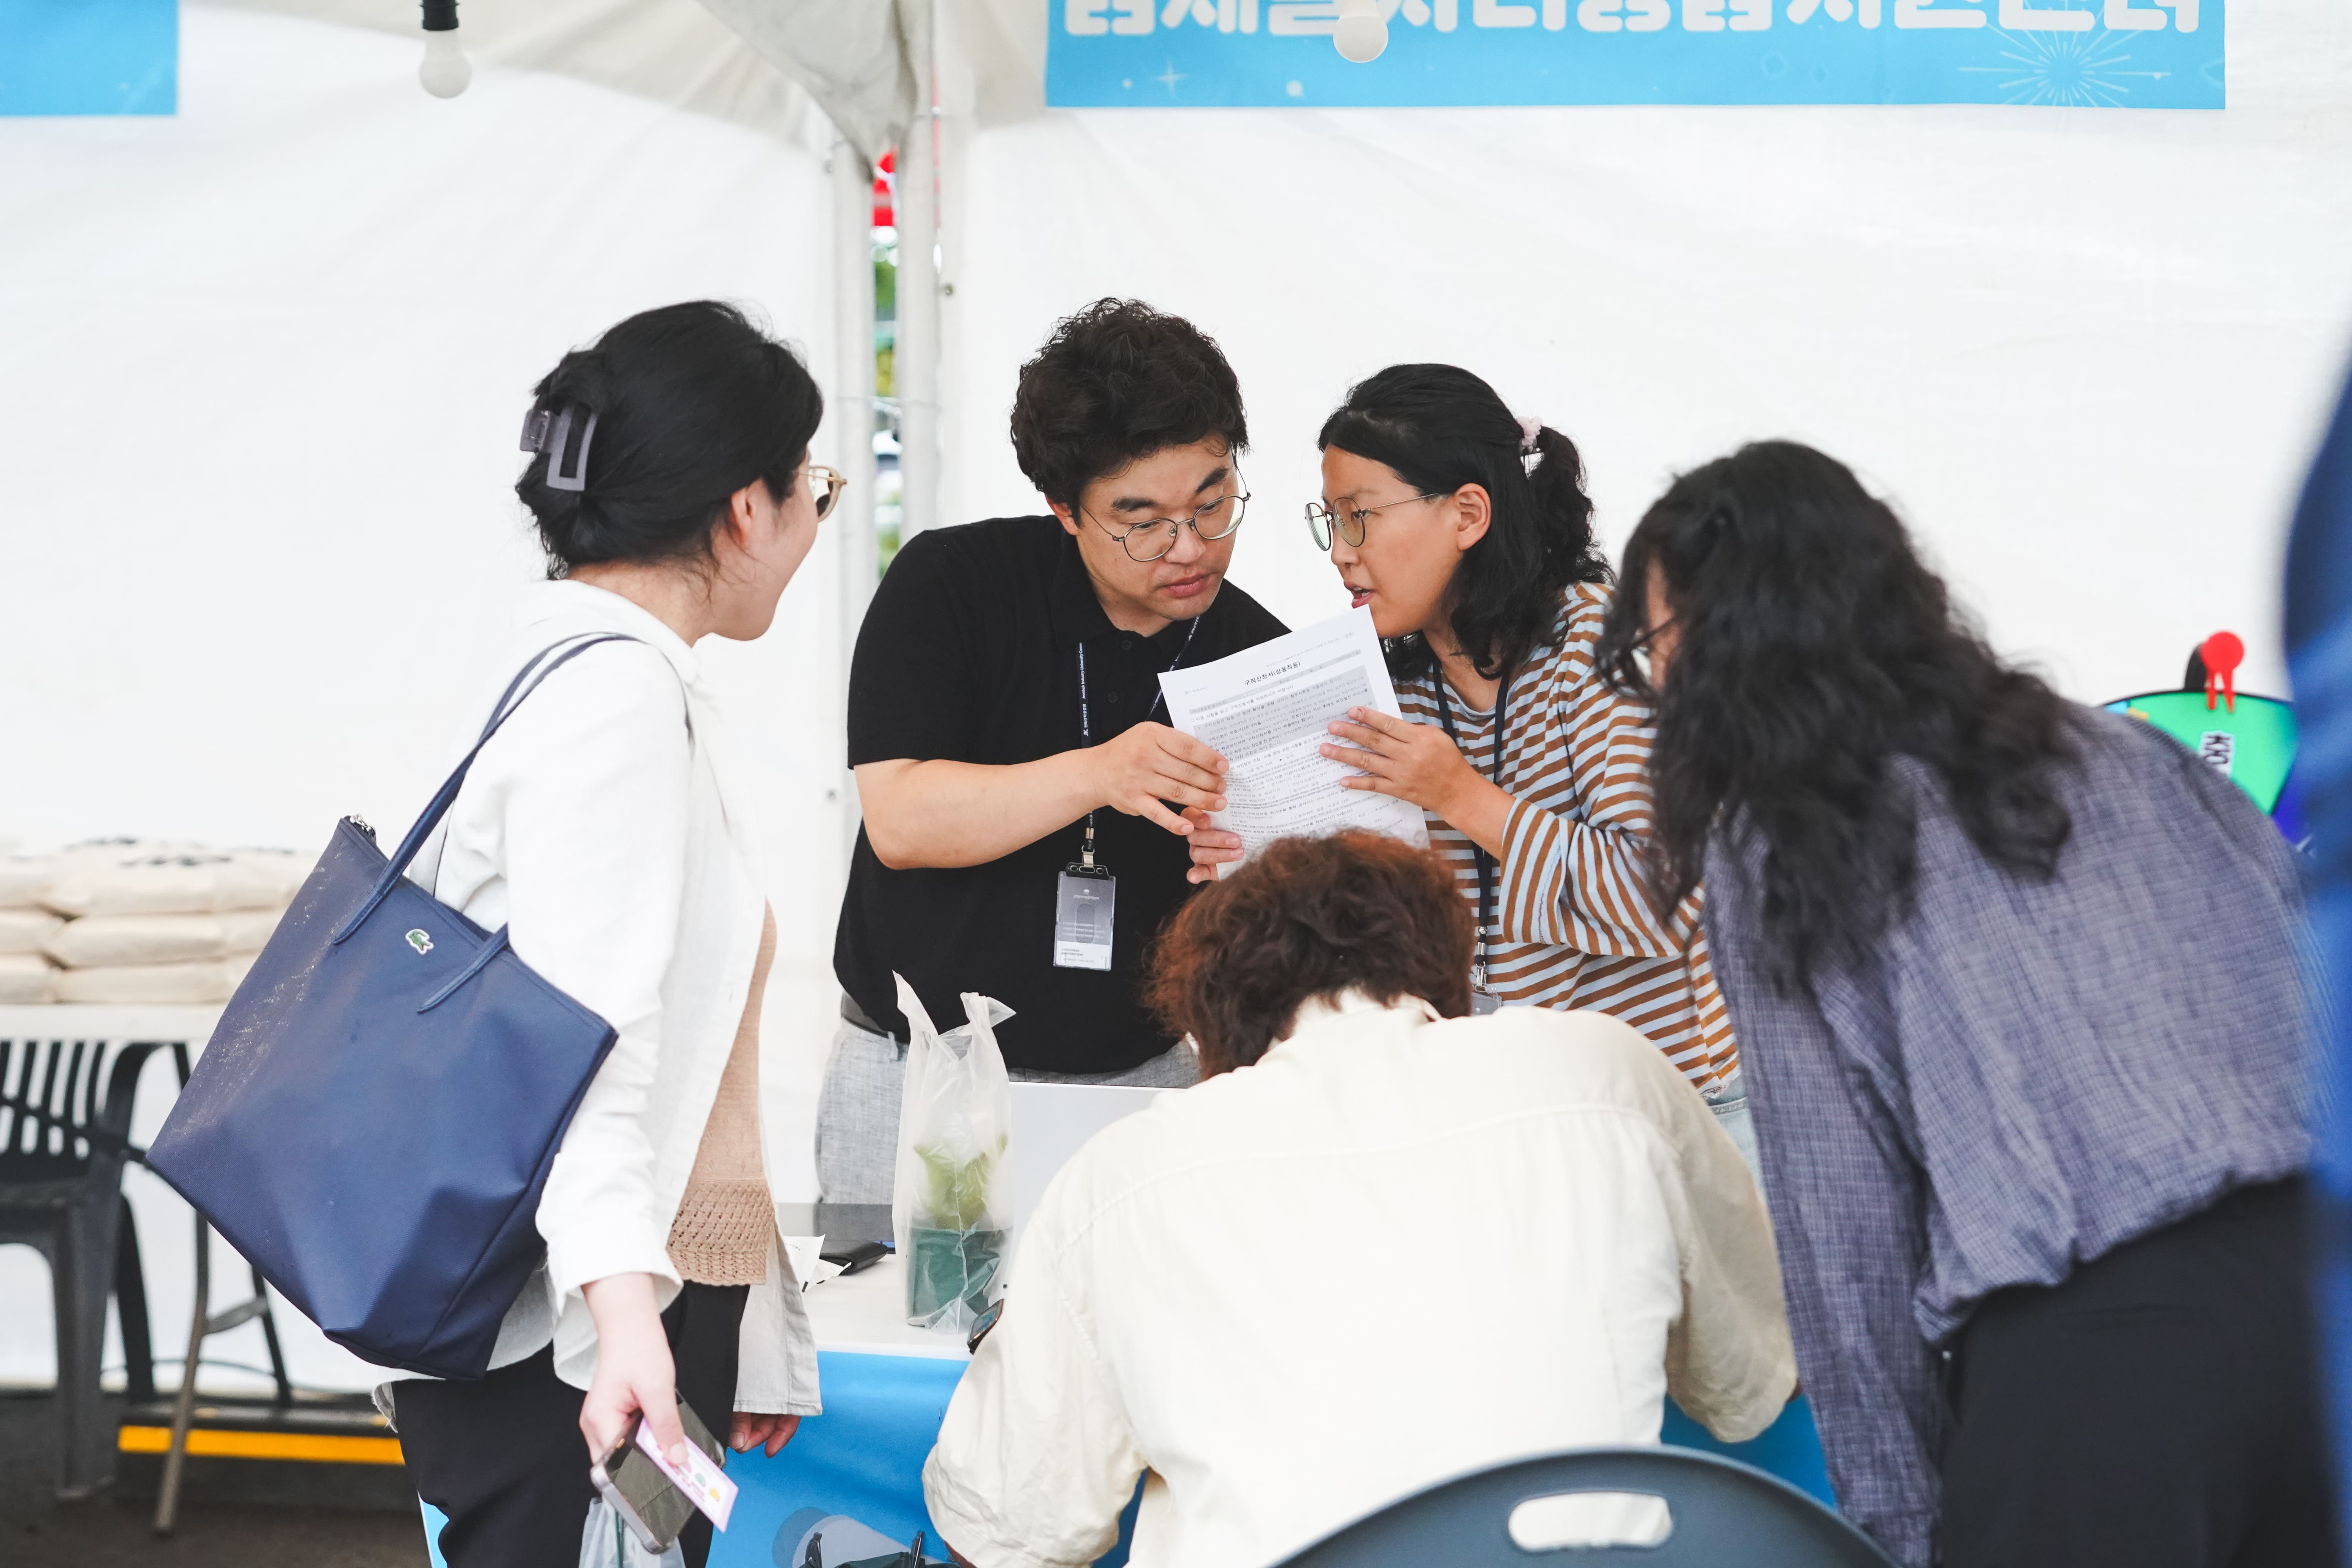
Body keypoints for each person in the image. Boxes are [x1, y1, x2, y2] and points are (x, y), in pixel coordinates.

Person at [1596, 440, 2330, 1568]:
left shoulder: (1786, 841)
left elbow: (1845, 1230)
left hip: (2103, 1373)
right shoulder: (2132, 750)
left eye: (1660, 643)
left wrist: (1900, 1527)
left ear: (1733, 640)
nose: (1659, 684)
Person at [923, 831, 1794, 1568]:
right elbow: (1753, 1384)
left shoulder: (1123, 1177)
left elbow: (1004, 1533)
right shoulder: (1604, 1071)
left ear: (1208, 1023)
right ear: (1447, 968)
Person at [390, 302, 827, 1568]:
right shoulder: (614, 704)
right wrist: (632, 1327)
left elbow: (682, 1057)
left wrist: (743, 1320)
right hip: (586, 1333)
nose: (811, 527)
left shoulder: (579, 669)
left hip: (627, 1303)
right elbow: (583, 1047)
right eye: (814, 492)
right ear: (745, 510)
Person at [1185, 364, 1747, 1162]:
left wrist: (1459, 794)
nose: (1340, 554)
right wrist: (1250, 860)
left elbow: (1665, 897)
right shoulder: (1396, 692)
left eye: (1359, 517)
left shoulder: (1600, 647)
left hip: (1672, 1113)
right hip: (1508, 1122)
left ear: (1469, 513)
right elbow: (1378, 940)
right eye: (1330, 521)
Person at [823, 298, 1288, 1201]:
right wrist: (1102, 773)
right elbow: (902, 821)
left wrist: (1240, 868)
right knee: (892, 1295)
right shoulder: (951, 586)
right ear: (1065, 509)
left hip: (1140, 1080)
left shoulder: (1258, 656)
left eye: (1213, 502)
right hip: (916, 1071)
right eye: (1141, 520)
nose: (1189, 546)